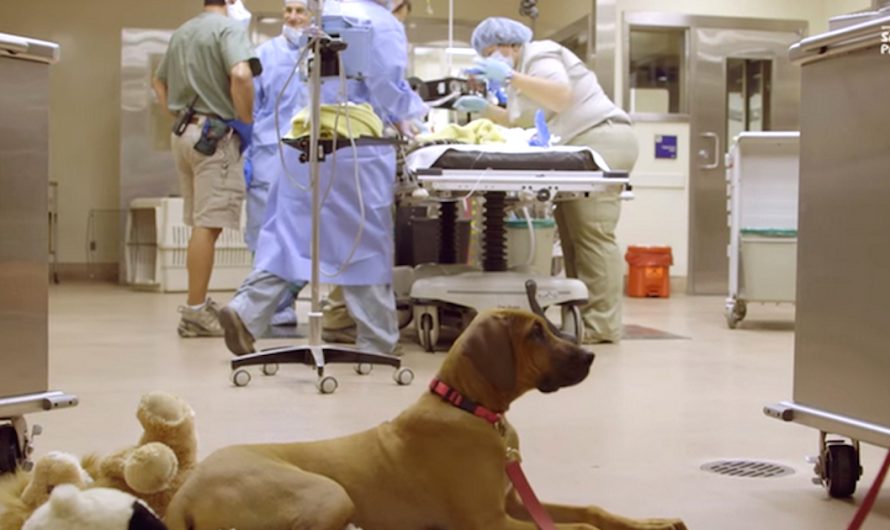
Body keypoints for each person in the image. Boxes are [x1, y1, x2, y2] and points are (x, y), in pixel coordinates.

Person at [219, 0, 428, 356]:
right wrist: (417, 113)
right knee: (362, 243)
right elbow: (385, 84)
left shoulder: (328, 11)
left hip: (306, 138)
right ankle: (377, 343)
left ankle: (246, 311)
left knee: (293, 235)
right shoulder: (381, 22)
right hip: (354, 146)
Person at [455, 17, 639, 344]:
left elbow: (560, 97)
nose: (488, 60)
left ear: (510, 44)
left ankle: (603, 325)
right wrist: (485, 108)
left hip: (603, 138)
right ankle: (583, 317)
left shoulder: (540, 54)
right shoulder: (523, 77)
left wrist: (511, 75)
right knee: (571, 234)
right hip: (580, 147)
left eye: (489, 52)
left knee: (592, 233)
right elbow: (520, 120)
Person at [152, 0, 260, 337]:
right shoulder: (229, 29)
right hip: (216, 136)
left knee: (199, 222)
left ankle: (196, 303)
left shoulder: (184, 31)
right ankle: (195, 311)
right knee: (208, 225)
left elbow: (158, 83)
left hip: (185, 132)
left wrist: (180, 113)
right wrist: (246, 120)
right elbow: (241, 74)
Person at [244, 0, 312, 328]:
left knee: (307, 237)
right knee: (263, 235)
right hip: (268, 154)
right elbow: (251, 107)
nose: (293, 17)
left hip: (311, 158)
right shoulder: (265, 54)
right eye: (289, 10)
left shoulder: (325, 56)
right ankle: (259, 308)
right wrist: (246, 153)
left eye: (301, 10)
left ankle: (285, 302)